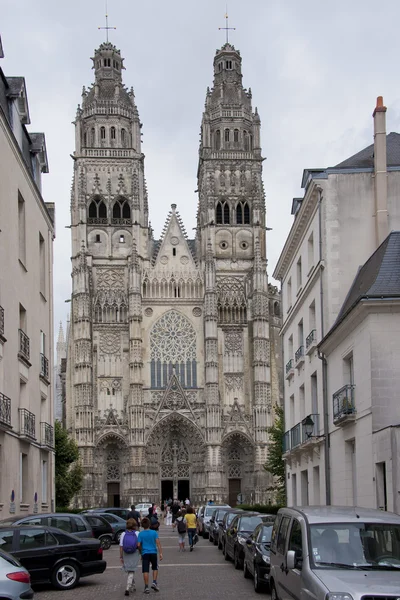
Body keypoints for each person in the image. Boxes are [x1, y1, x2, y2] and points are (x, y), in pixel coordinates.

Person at [137, 517, 163, 594]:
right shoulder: (154, 533)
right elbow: (158, 544)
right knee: (155, 567)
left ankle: (146, 587)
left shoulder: (140, 534)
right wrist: (161, 553)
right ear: (149, 524)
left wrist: (141, 552)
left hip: (145, 553)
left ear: (142, 525)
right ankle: (154, 582)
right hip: (153, 553)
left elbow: (138, 545)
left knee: (145, 570)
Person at [120, 518, 140, 596]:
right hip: (135, 553)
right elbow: (139, 545)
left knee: (129, 570)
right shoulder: (137, 533)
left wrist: (121, 556)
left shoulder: (123, 534)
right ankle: (128, 587)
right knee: (132, 570)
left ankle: (132, 585)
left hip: (126, 553)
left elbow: (121, 546)